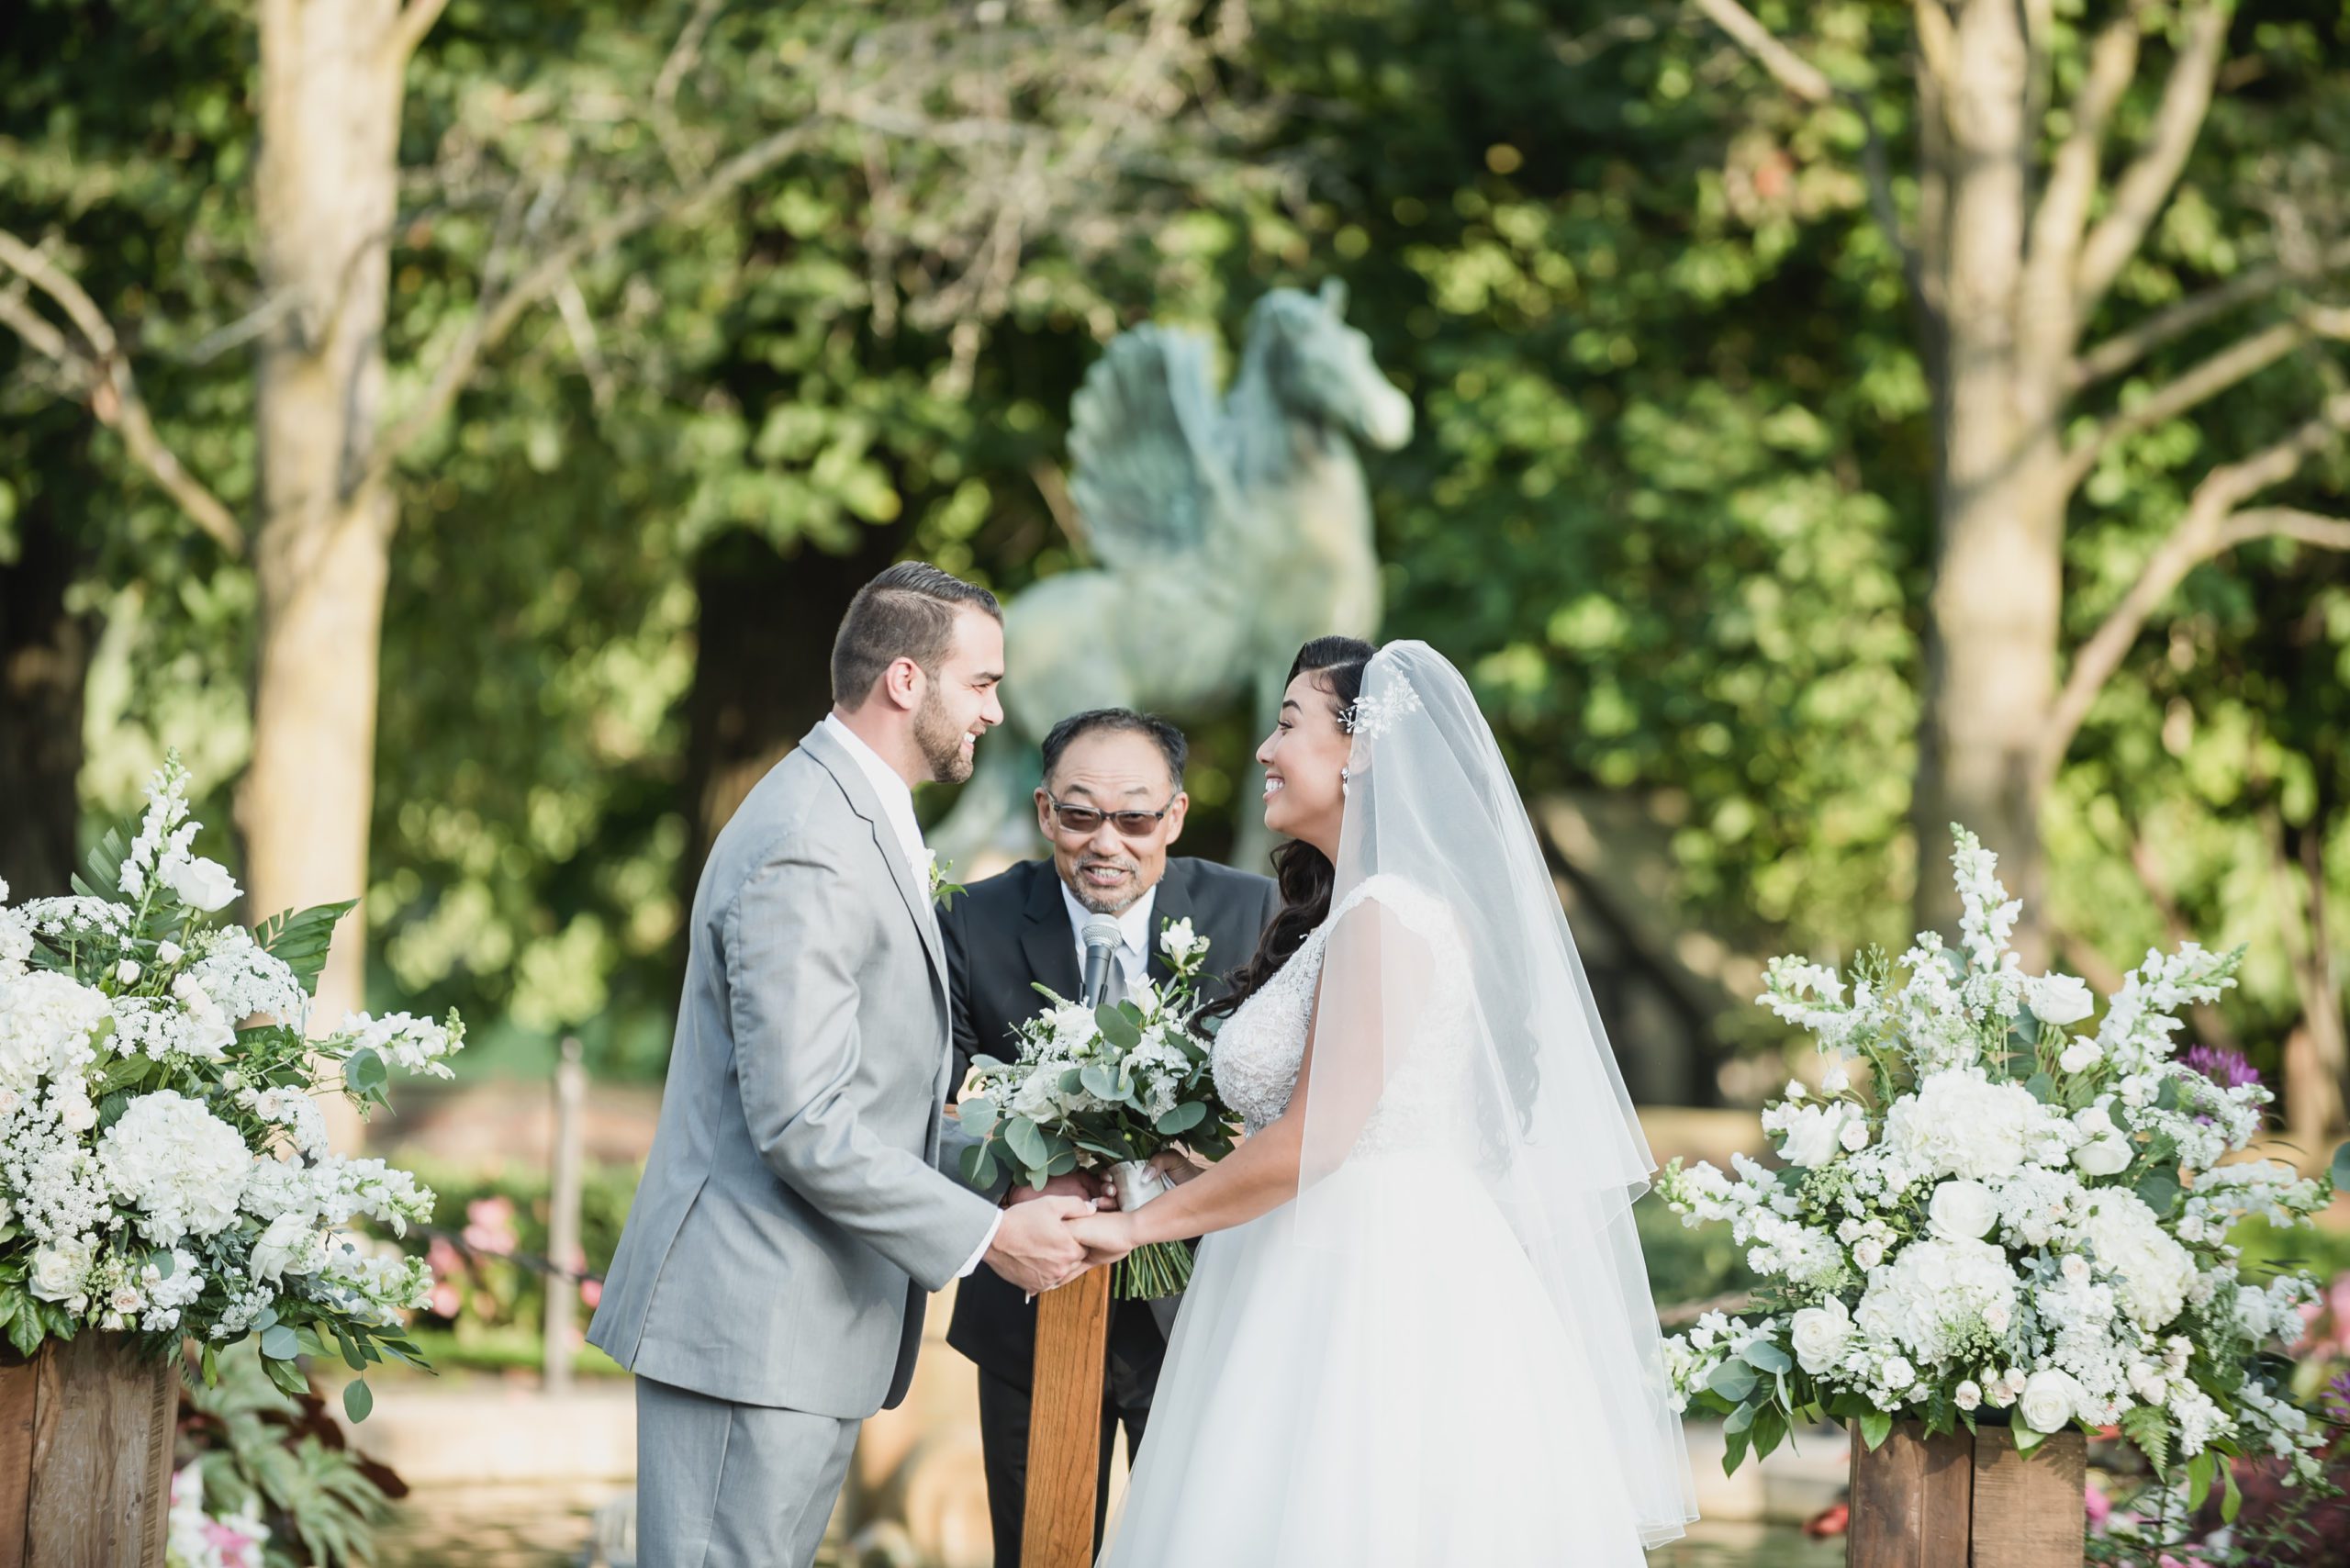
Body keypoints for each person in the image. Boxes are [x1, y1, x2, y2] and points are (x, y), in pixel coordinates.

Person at [1069, 636, 1700, 1565]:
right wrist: (1190, 1167)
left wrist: (1137, 1227)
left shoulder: (1386, 916)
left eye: (1289, 724)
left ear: (1359, 748)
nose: (1264, 750)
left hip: (1374, 1285)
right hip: (1312, 1251)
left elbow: (1316, 1142)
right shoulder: (1351, 913)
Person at [587, 562, 1097, 1568]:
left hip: (798, 1331)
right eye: (983, 682)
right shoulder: (810, 839)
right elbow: (802, 1122)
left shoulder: (861, 812)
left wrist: (1016, 1157)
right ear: (906, 680)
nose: (998, 710)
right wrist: (990, 1232)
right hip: (750, 1328)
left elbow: (872, 1097)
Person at [939, 708, 1280, 1568]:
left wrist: (1207, 1156)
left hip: (1207, 1306)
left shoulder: (1255, 915)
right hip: (1029, 1303)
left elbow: (1301, 1105)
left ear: (1174, 816)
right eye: (1081, 815)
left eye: (1134, 818)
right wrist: (1014, 1184)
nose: (1107, 842)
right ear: (1046, 812)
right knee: (1041, 1552)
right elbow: (927, 1103)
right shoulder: (972, 923)